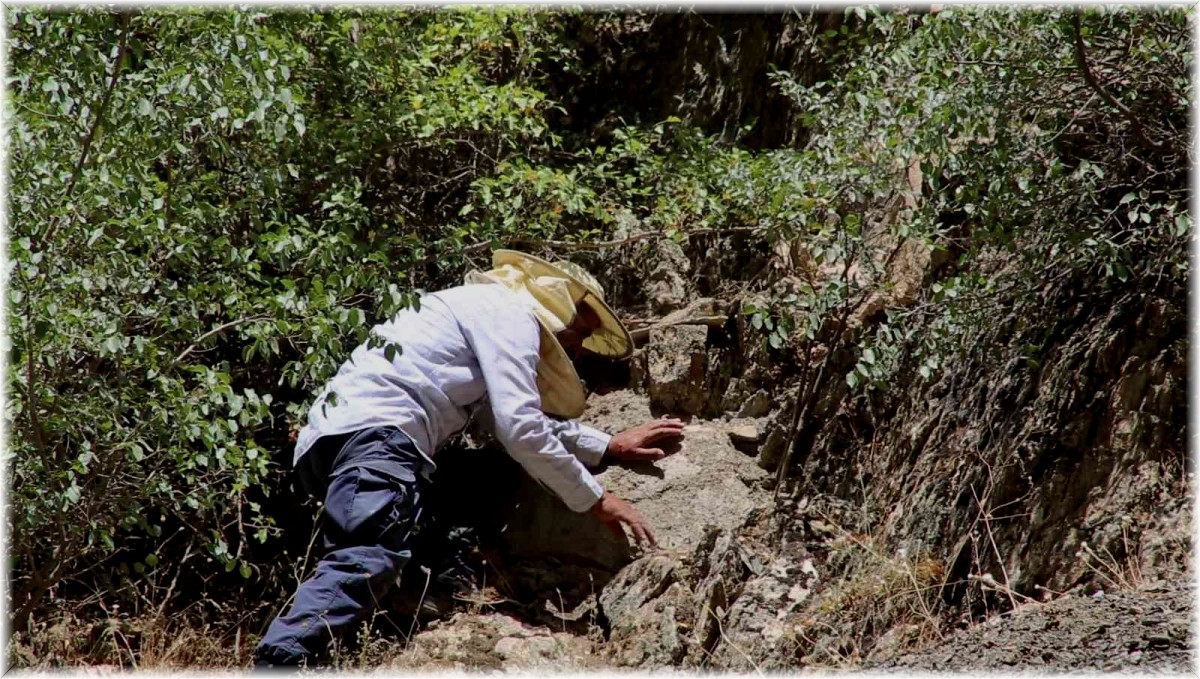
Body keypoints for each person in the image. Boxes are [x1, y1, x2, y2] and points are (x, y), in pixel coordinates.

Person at [254, 249, 685, 667]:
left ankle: (432, 592)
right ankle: (279, 661)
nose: (578, 345)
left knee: (477, 476)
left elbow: (499, 423)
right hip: (380, 441)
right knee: (367, 555)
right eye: (581, 329)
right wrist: (595, 498)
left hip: (338, 443)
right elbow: (521, 427)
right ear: (558, 303)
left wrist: (605, 445)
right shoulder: (509, 313)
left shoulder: (475, 309)